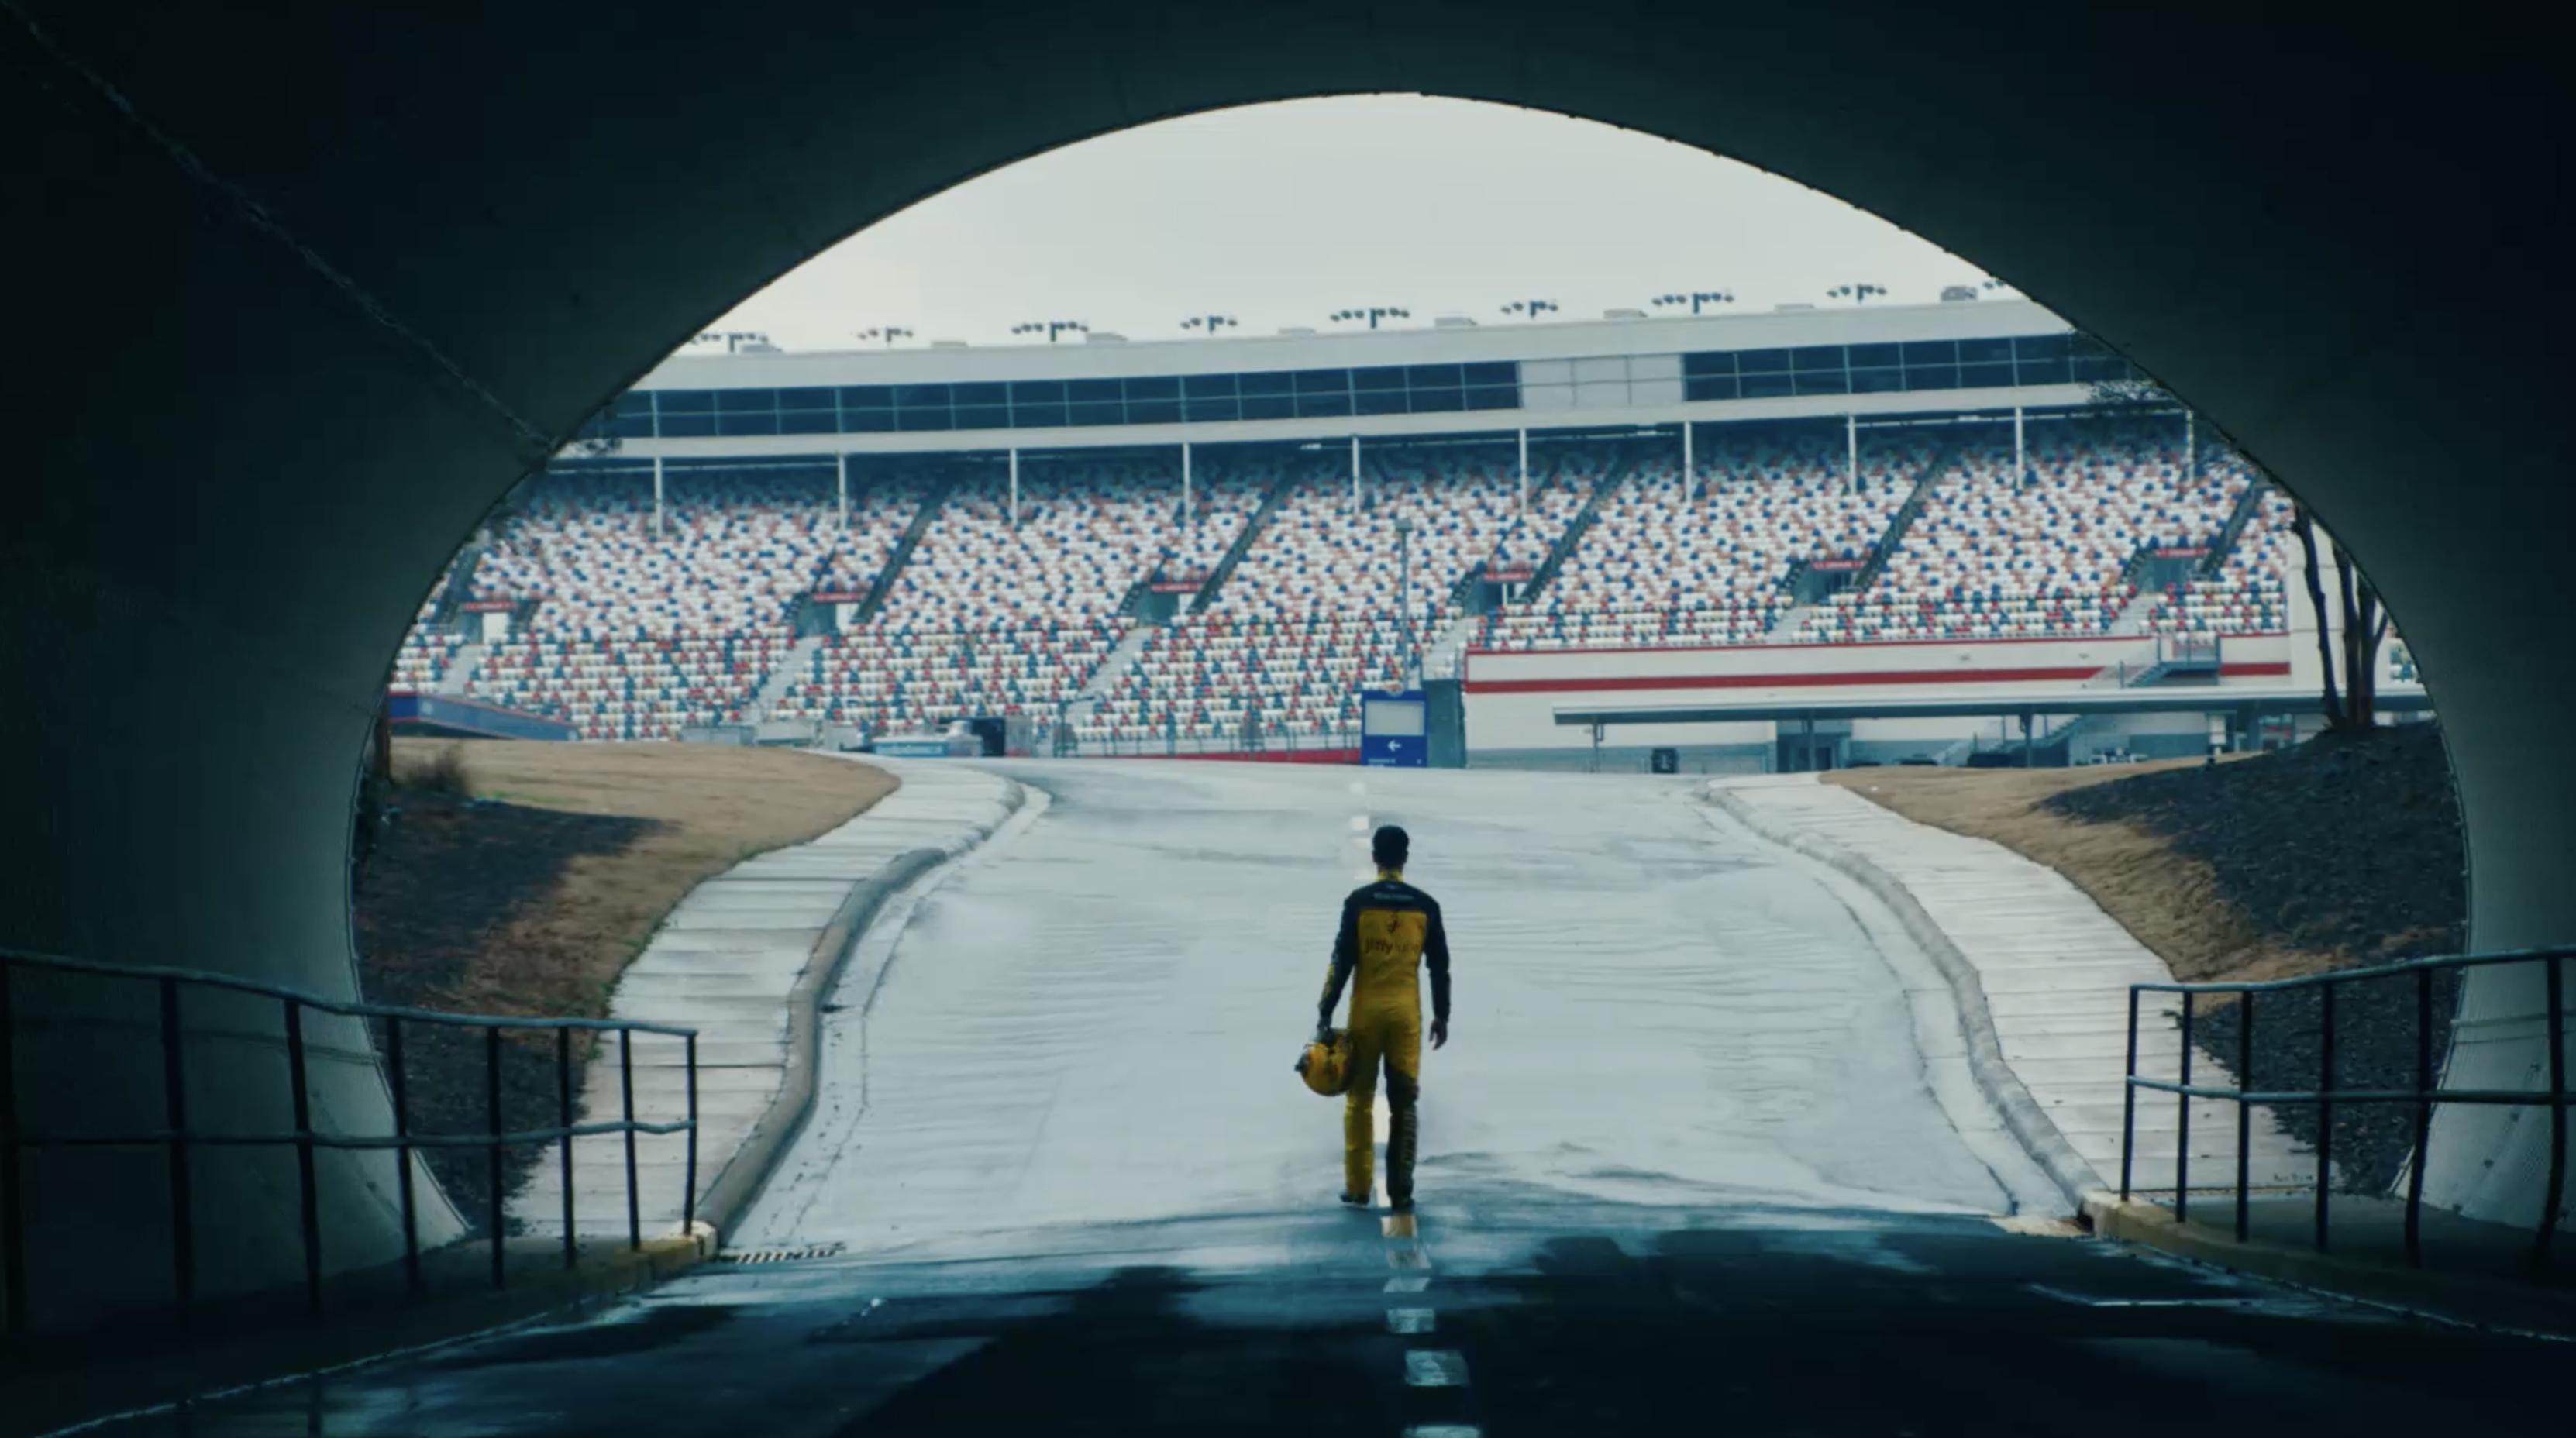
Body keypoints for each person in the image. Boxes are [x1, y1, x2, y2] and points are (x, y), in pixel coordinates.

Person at [1315, 824, 1452, 1212]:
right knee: (1403, 1103)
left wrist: (1325, 1011)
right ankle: (1401, 1188)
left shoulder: (1358, 903)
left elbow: (1341, 962)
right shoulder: (1426, 906)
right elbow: (1440, 966)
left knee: (1359, 1100)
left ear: (1375, 857)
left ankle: (1358, 1188)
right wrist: (1442, 1015)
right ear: (1405, 858)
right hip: (1405, 1018)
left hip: (1366, 1017)